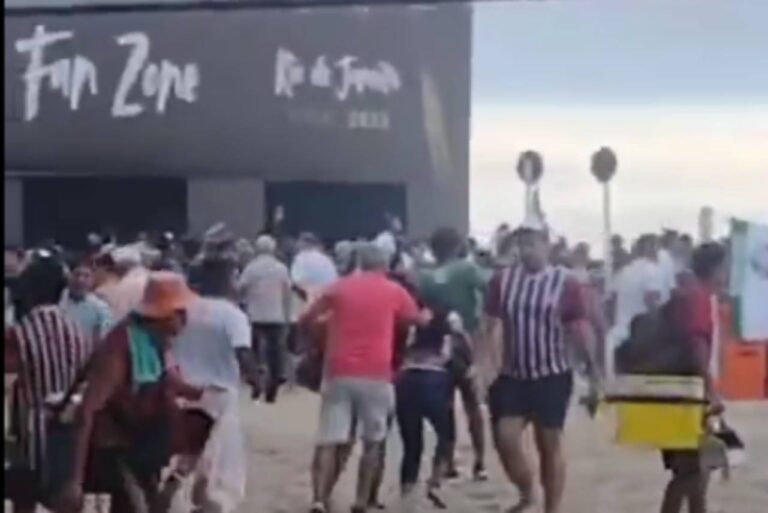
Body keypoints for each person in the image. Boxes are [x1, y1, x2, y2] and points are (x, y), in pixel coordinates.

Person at [58, 272, 210, 513]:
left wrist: (203, 394)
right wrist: (74, 480)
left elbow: (165, 379)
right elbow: (87, 412)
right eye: (180, 312)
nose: (185, 319)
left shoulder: (153, 341)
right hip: (116, 450)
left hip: (143, 447)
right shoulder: (119, 349)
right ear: (162, 314)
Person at [301, 243, 425, 513]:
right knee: (373, 440)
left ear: (359, 262)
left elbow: (307, 317)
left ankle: (319, 499)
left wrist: (322, 339)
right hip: (377, 372)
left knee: (329, 438)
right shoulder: (394, 290)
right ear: (386, 265)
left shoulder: (339, 287)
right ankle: (360, 500)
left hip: (338, 370)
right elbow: (416, 319)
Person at [484, 224, 600, 513]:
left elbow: (578, 329)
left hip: (552, 373)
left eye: (532, 244)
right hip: (514, 373)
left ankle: (552, 507)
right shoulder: (503, 281)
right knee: (505, 437)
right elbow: (490, 325)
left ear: (547, 246)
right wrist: (484, 364)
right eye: (522, 245)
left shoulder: (565, 282)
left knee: (549, 444)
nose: (526, 251)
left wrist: (593, 371)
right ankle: (526, 491)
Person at [170, 257, 260, 513]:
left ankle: (179, 500)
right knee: (219, 461)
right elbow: (242, 351)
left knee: (185, 454)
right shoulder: (232, 315)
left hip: (181, 390)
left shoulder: (183, 308)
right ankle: (208, 503)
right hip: (219, 396)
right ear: (224, 281)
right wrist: (256, 379)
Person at [4, 252, 93, 513]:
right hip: (68, 437)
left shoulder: (20, 333)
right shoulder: (78, 331)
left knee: (24, 500)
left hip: (32, 438)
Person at [660, 243, 727, 513]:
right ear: (714, 268)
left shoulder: (689, 294)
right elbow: (697, 345)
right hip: (688, 394)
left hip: (679, 391)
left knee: (697, 471)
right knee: (690, 473)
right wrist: (710, 392)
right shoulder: (698, 297)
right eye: (725, 267)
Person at [418, 227, 488, 481]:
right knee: (473, 405)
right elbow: (488, 291)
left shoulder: (424, 276)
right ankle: (480, 462)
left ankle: (447, 460)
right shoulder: (467, 270)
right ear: (459, 246)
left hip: (437, 346)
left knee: (445, 407)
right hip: (465, 342)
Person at [395, 310, 472, 508]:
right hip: (435, 379)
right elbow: (459, 353)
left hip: (407, 379)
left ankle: (407, 490)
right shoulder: (448, 323)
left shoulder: (413, 321)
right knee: (446, 435)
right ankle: (435, 481)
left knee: (412, 444)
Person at [238, 235, 293, 402]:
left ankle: (256, 383)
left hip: (254, 315)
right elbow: (287, 293)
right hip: (276, 315)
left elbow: (241, 287)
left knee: (253, 352)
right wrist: (287, 314)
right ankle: (272, 390)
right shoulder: (281, 268)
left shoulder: (251, 268)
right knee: (275, 354)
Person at [607, 234, 665, 378]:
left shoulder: (623, 272)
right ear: (651, 249)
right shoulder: (652, 270)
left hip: (618, 336)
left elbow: (610, 304)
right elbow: (652, 302)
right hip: (644, 341)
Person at [60, 260, 114, 343]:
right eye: (77, 275)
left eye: (86, 276)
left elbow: (104, 337)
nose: (80, 280)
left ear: (92, 280)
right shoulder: (56, 300)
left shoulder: (100, 308)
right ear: (69, 276)